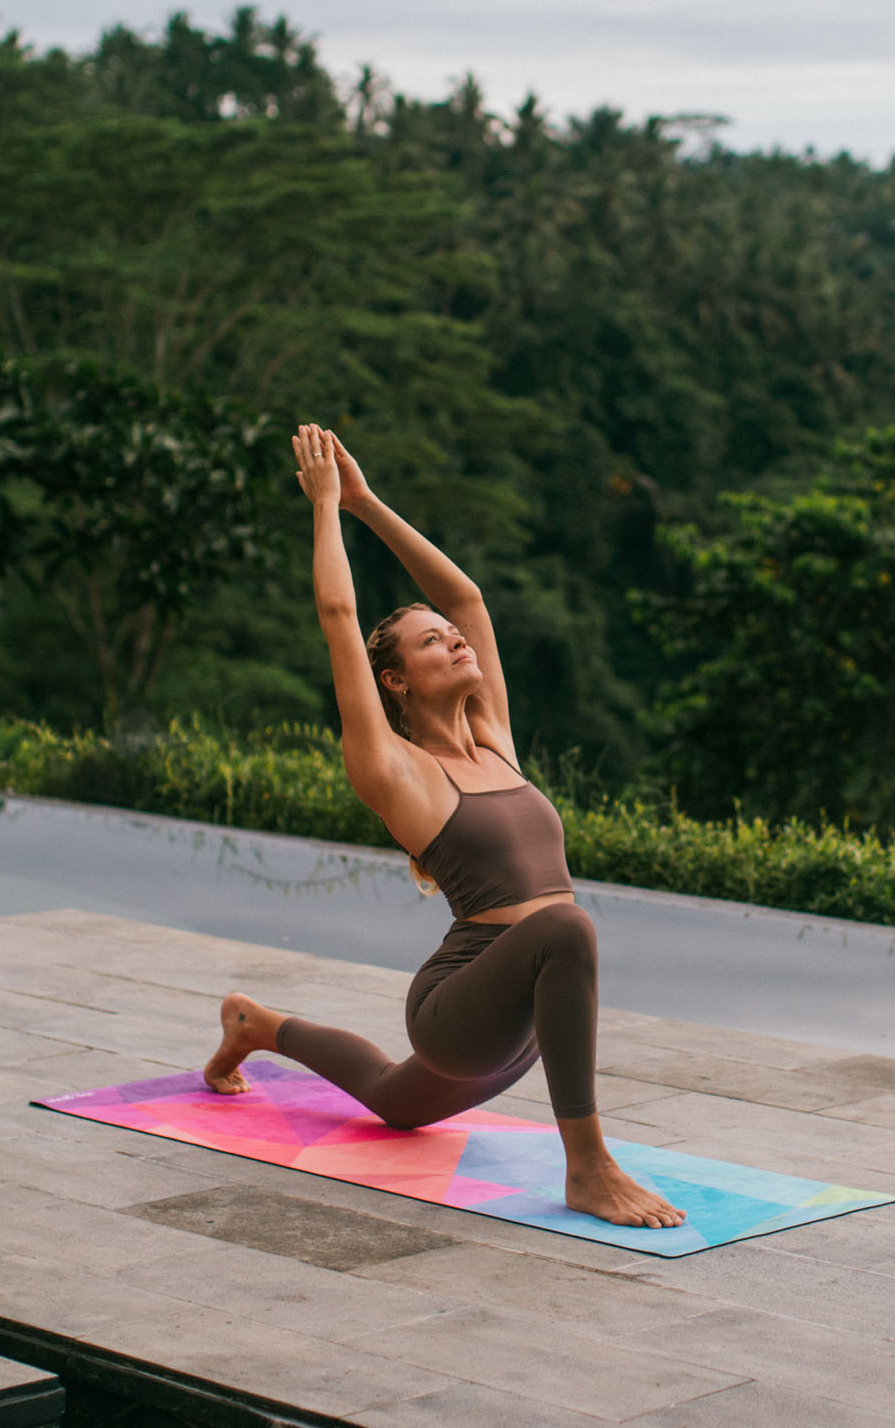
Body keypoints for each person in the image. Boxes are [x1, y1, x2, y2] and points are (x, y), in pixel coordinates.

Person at [202, 423, 685, 1229]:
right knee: (567, 926)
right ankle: (589, 1167)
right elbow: (337, 613)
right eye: (432, 642)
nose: (456, 638)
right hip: (460, 1013)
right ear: (394, 680)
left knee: (393, 1100)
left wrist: (365, 503)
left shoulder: (494, 740)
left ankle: (256, 1024)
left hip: (524, 1029)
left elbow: (468, 600)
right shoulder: (395, 768)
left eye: (451, 637)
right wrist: (324, 506)